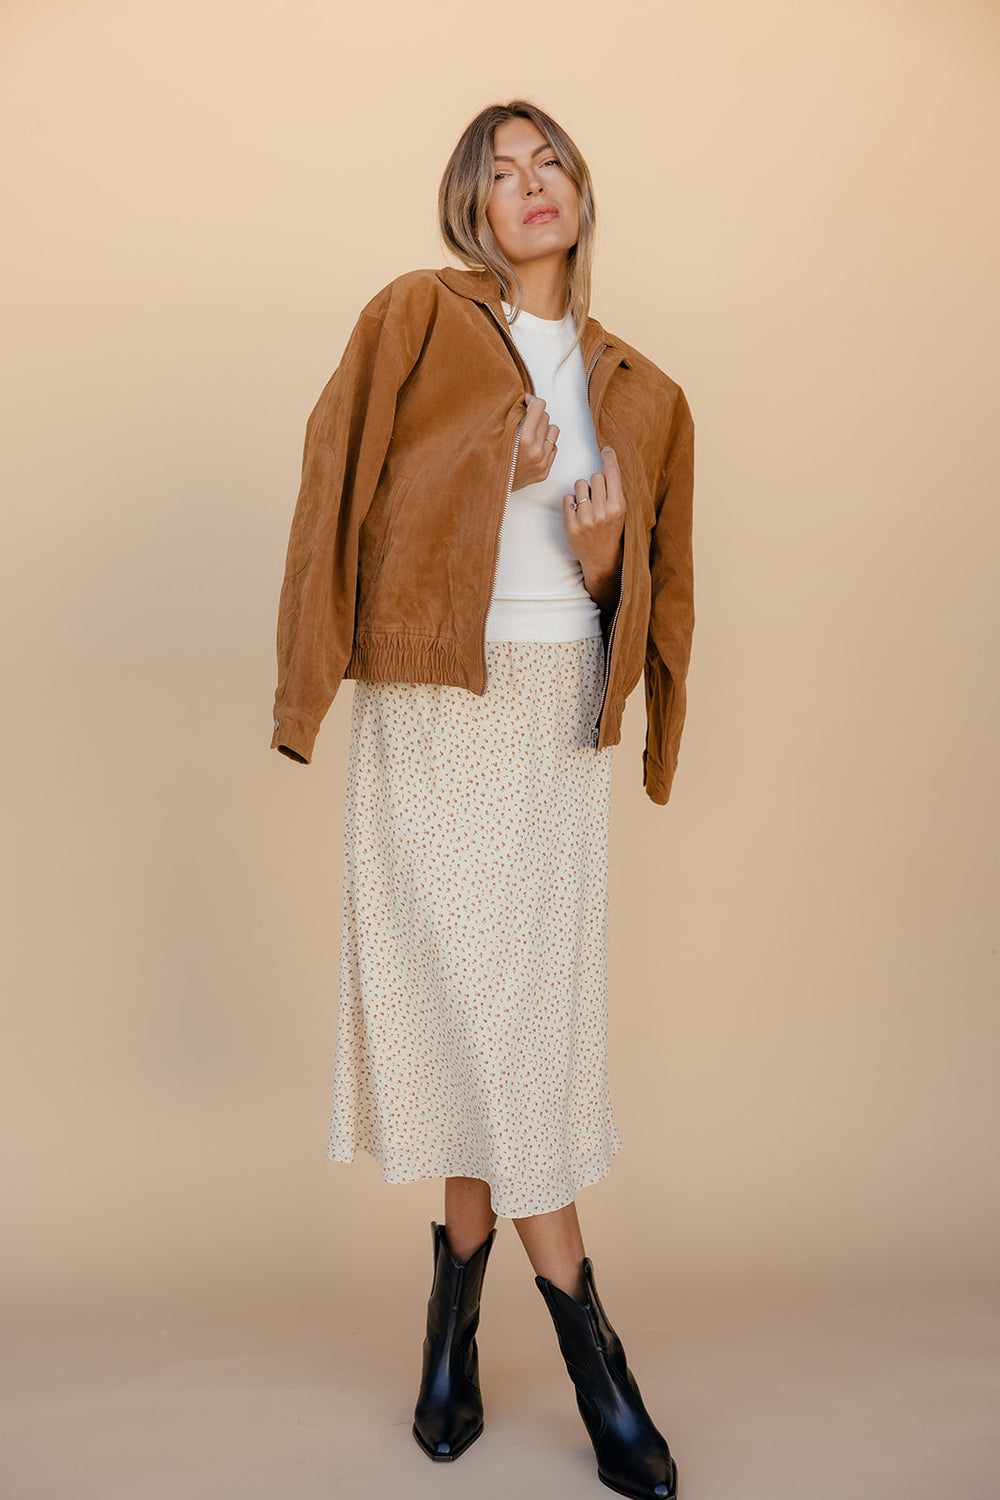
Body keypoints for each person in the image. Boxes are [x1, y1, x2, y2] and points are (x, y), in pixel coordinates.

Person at [270, 99, 694, 1500]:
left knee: (511, 1011)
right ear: (470, 209)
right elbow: (338, 487)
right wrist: (481, 471)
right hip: (434, 702)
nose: (530, 186)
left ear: (580, 191)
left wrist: (596, 560)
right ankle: (594, 1353)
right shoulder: (417, 320)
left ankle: (453, 1321)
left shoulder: (646, 392)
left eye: (549, 162)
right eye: (499, 173)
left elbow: (656, 600)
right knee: (479, 1003)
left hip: (551, 715)